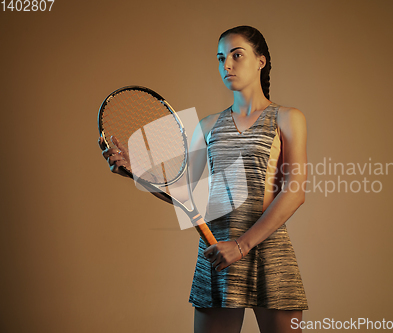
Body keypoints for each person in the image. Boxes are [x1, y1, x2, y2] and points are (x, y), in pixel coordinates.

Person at [99, 25, 308, 333]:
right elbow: (185, 193)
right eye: (221, 57)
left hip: (266, 247)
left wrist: (241, 245)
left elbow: (295, 191)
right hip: (217, 253)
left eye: (237, 55)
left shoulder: (288, 118)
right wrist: (136, 172)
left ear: (261, 61)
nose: (227, 65)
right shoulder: (208, 124)